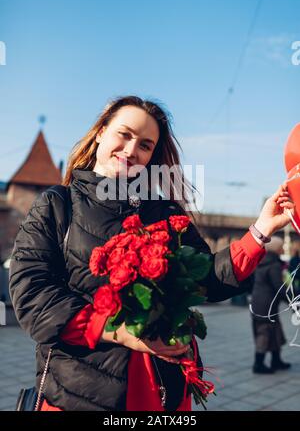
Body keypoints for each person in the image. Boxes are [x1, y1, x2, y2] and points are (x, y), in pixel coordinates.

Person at [9, 96, 294, 411]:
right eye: (125, 134)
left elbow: (208, 280)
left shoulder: (164, 212)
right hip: (81, 394)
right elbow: (31, 294)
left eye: (145, 145)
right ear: (101, 132)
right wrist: (120, 333)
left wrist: (260, 230)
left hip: (164, 392)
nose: (131, 150)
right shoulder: (57, 204)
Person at [251, 236, 291, 374]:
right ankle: (258, 364)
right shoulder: (273, 265)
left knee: (275, 331)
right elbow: (279, 288)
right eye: (281, 247)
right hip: (266, 306)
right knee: (265, 333)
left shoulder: (263, 262)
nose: (282, 249)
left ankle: (276, 360)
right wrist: (292, 300)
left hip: (259, 303)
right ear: (276, 249)